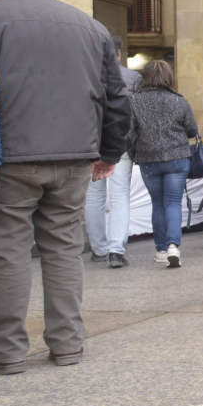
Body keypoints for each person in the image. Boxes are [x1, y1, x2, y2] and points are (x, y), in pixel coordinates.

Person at [0, 0, 132, 374]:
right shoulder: (91, 28)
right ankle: (68, 343)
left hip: (13, 157)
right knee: (64, 249)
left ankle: (8, 350)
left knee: (8, 250)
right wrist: (109, 152)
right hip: (75, 156)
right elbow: (118, 99)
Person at [129, 59, 199, 268]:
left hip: (148, 158)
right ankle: (173, 246)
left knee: (158, 203)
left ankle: (160, 249)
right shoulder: (179, 100)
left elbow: (130, 133)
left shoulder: (134, 101)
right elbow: (192, 131)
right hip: (177, 158)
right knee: (172, 202)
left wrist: (134, 153)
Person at [84, 36, 141, 267]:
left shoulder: (85, 74)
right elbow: (135, 114)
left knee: (93, 196)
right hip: (121, 142)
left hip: (91, 143)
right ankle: (116, 250)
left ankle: (98, 248)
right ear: (118, 53)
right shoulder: (133, 78)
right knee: (119, 197)